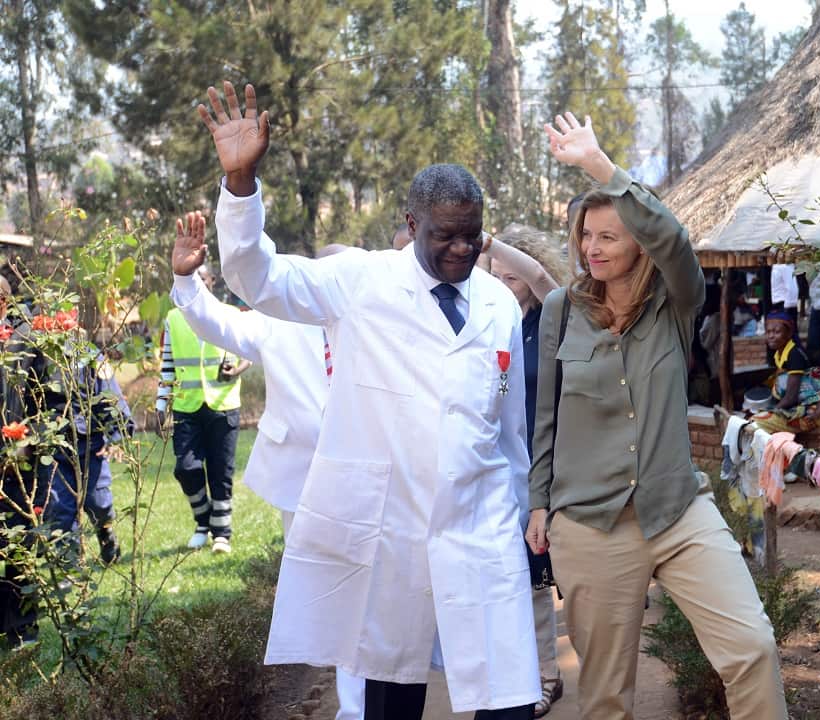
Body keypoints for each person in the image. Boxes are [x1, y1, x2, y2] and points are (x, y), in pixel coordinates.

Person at [196, 80, 538, 719]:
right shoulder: (360, 281)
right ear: (411, 226)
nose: (462, 250)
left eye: (472, 235)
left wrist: (519, 516)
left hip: (482, 529)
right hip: (393, 531)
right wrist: (241, 188)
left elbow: (510, 427)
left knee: (508, 697)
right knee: (388, 696)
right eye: (445, 236)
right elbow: (258, 278)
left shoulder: (495, 301)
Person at [525, 112, 787, 720]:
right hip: (590, 523)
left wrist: (600, 168)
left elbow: (674, 239)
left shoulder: (676, 304)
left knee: (752, 647)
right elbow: (546, 419)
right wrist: (540, 502)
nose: (592, 247)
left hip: (677, 509)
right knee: (607, 697)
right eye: (585, 235)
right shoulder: (563, 311)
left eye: (608, 236)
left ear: (637, 241)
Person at [170, 214, 365, 719]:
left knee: (362, 597)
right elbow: (216, 322)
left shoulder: (377, 324)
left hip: (368, 480)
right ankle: (333, 680)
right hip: (302, 481)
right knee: (323, 596)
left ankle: (356, 708)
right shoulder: (278, 322)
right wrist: (186, 279)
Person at [484, 224, 565, 717]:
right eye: (495, 277)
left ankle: (549, 676)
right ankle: (515, 675)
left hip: (549, 465)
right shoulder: (489, 319)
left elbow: (540, 277)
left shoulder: (553, 318)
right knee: (509, 572)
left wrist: (489, 242)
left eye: (511, 280)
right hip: (499, 467)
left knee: (542, 574)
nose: (503, 287)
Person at [156, 263, 251, 554]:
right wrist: (162, 404)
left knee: (221, 471)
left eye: (203, 278)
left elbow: (249, 352)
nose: (198, 283)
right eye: (193, 278)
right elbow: (168, 364)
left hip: (223, 405)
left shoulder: (230, 315)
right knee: (186, 468)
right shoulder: (174, 318)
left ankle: (221, 533)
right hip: (187, 406)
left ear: (211, 282)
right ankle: (203, 521)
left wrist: (236, 369)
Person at [33, 315, 132, 567]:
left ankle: (106, 533)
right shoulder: (36, 357)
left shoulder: (89, 356)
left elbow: (110, 396)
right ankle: (70, 565)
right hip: (54, 447)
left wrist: (116, 438)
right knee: (60, 508)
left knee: (98, 502)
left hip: (91, 446)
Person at [0, 277, 44, 648]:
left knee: (19, 545)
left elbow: (43, 398)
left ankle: (23, 626)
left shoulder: (25, 340)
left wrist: (29, 440)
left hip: (17, 460)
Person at [750, 311, 820, 435]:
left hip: (817, 409)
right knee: (754, 422)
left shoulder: (794, 355)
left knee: (756, 423)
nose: (771, 336)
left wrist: (773, 411)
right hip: (799, 405)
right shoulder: (779, 354)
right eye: (768, 332)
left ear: (789, 334)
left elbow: (791, 398)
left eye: (776, 332)